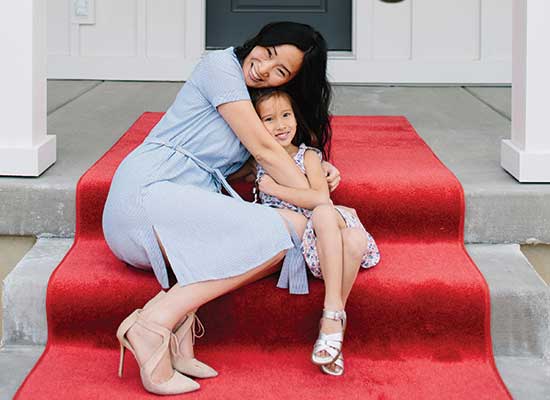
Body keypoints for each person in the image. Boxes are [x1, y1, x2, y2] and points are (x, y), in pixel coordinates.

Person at [102, 22, 341, 395]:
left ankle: (178, 330)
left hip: (182, 211)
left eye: (280, 71)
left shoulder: (256, 103)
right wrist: (321, 201)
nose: (263, 67)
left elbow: (260, 158)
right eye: (269, 51)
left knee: (288, 237)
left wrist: (317, 166)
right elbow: (264, 151)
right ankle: (153, 323)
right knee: (294, 227)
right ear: (259, 39)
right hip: (146, 195)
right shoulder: (220, 67)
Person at [230, 88, 380, 376]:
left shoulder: (309, 155)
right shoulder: (257, 161)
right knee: (353, 240)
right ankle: (336, 326)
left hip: (327, 223)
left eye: (286, 115)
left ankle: (330, 316)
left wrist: (275, 189)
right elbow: (225, 173)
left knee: (325, 213)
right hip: (317, 246)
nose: (281, 125)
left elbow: (321, 199)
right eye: (269, 119)